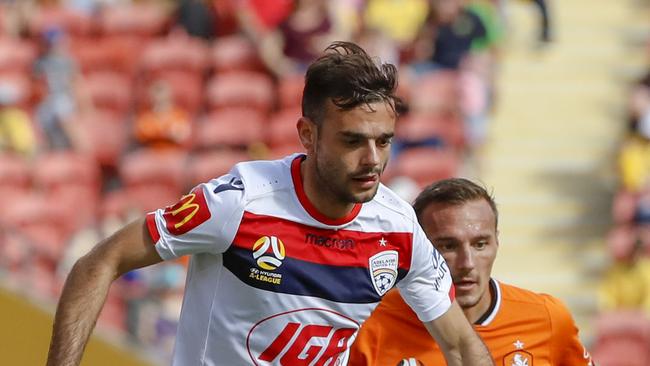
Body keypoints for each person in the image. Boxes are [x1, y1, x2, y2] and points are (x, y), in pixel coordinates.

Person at [46, 42, 493, 366]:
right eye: (353, 141)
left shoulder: (398, 229)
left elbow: (458, 345)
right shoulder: (238, 204)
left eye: (383, 141)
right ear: (308, 134)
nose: (373, 160)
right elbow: (99, 263)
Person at [349, 178, 594, 366]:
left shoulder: (547, 318)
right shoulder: (368, 324)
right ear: (418, 249)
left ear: (497, 242)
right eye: (448, 246)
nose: (467, 262)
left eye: (480, 244)